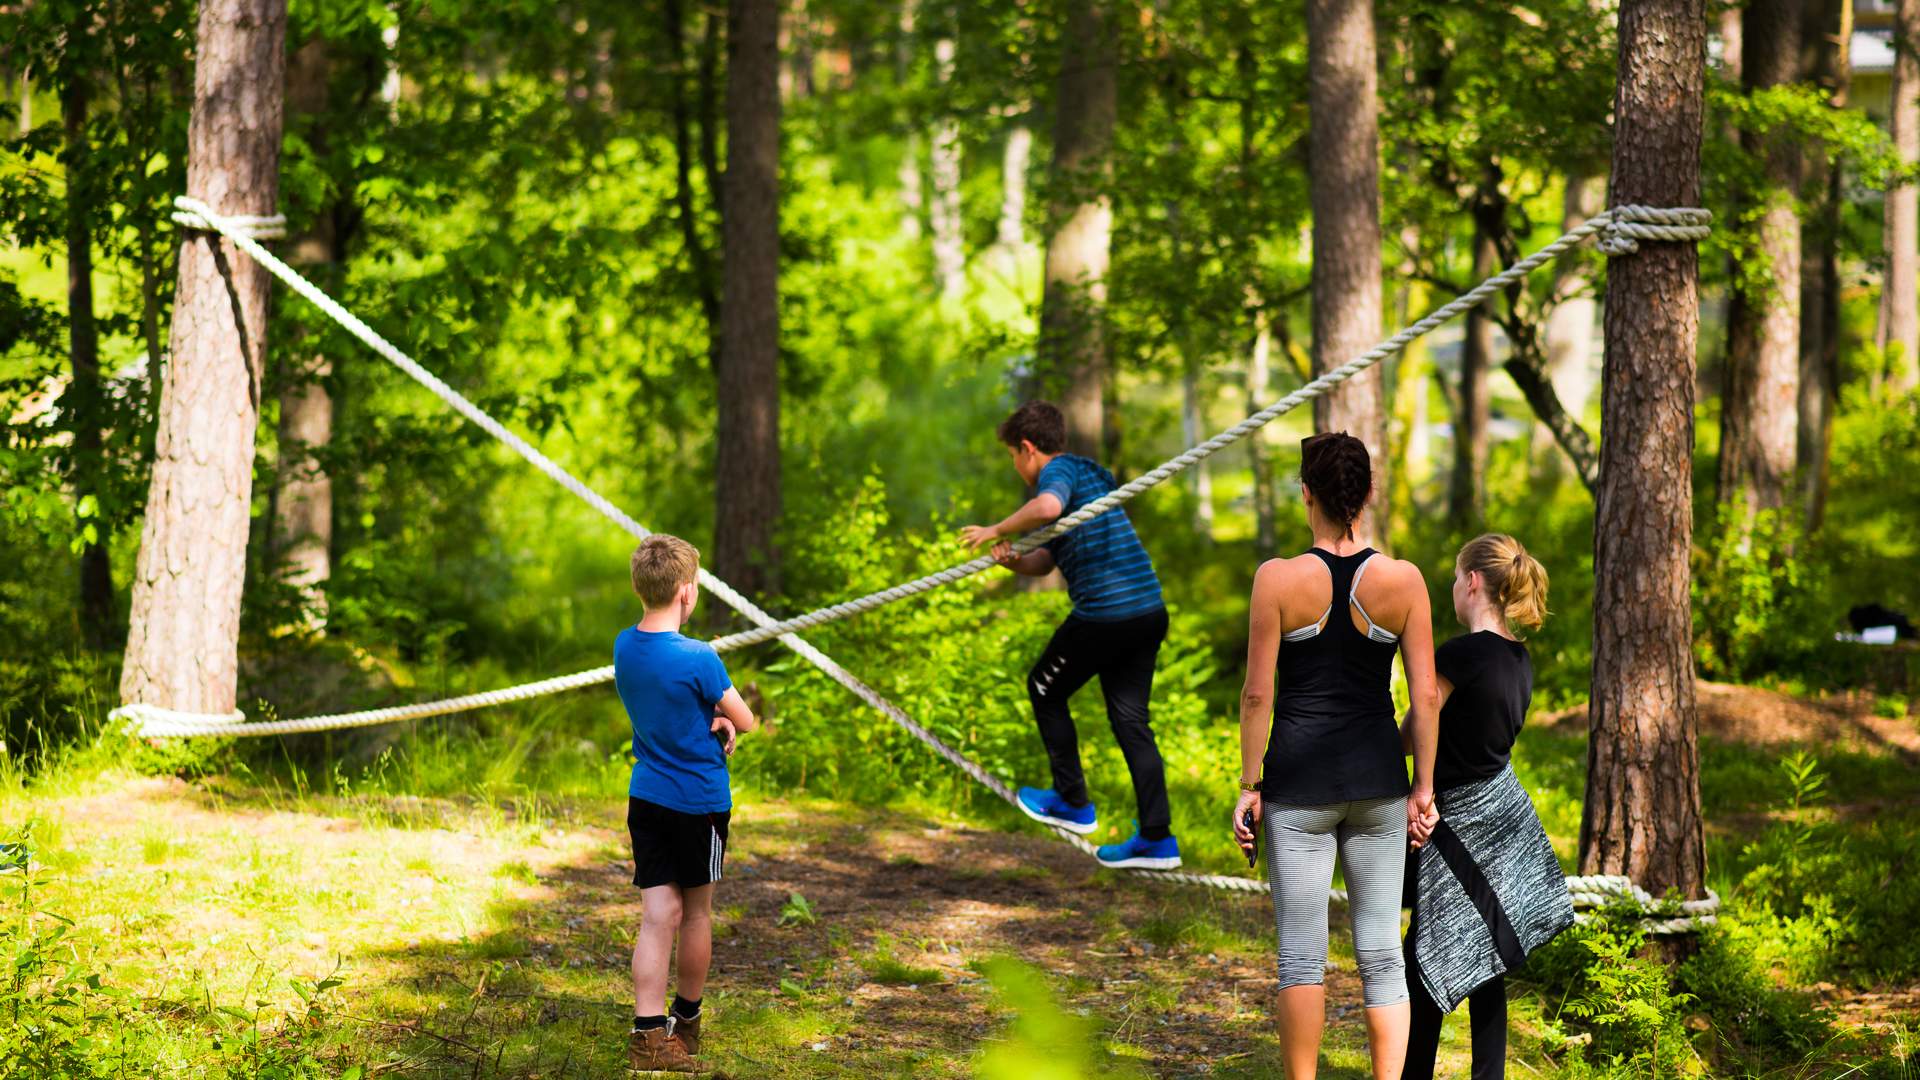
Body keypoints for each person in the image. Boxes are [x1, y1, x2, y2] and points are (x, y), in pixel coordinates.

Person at [1231, 431, 1440, 1080]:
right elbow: (1427, 696)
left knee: (1300, 957)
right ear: (1367, 494)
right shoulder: (1404, 581)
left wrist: (1248, 783)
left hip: (1297, 788)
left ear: (1306, 494)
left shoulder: (1277, 579)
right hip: (1380, 785)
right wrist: (1423, 789)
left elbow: (1256, 693)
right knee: (1381, 953)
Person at [958, 400, 1181, 869]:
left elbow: (1047, 506)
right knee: (1131, 723)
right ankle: (1157, 838)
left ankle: (1072, 801)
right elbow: (1049, 556)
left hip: (1108, 613)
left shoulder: (1058, 473)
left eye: (1013, 458)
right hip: (1146, 612)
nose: (1016, 468)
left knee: (1043, 686)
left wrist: (996, 528)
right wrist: (1015, 559)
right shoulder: (1093, 476)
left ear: (1027, 449)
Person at [1401, 534, 1573, 1080]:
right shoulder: (1520, 661)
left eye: (1456, 577)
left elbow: (1416, 726)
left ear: (1473, 581)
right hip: (1497, 818)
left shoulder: (1459, 654)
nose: (1454, 587)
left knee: (1424, 954)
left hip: (1451, 821)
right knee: (1488, 956)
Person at [615, 534, 759, 1072]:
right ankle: (688, 1023)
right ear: (686, 592)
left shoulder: (623, 646)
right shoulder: (699, 657)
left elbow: (666, 705)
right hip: (699, 805)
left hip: (646, 798)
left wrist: (705, 715)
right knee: (696, 913)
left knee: (657, 916)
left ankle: (647, 1034)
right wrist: (722, 716)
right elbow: (744, 719)